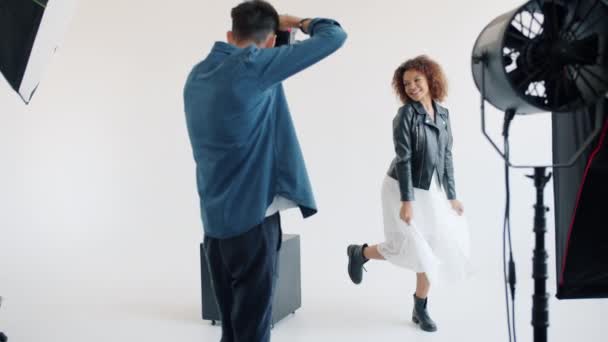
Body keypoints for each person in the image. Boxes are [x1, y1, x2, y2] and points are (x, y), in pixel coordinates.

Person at [183, 1, 347, 341]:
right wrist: (298, 22)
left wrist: (278, 35)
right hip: (253, 223)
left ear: (230, 35)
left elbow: (259, 87)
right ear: (271, 42)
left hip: (215, 228)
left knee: (232, 329)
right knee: (254, 331)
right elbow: (334, 35)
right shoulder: (255, 68)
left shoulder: (197, 75)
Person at [346, 55, 470, 333]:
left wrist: (452, 195)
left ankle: (420, 308)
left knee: (431, 246)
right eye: (407, 83)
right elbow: (404, 158)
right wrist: (407, 201)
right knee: (406, 246)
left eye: (417, 80)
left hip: (430, 188)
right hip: (401, 186)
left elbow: (446, 155)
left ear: (430, 79)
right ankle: (361, 252)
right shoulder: (405, 115)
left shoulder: (444, 114)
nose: (412, 86)